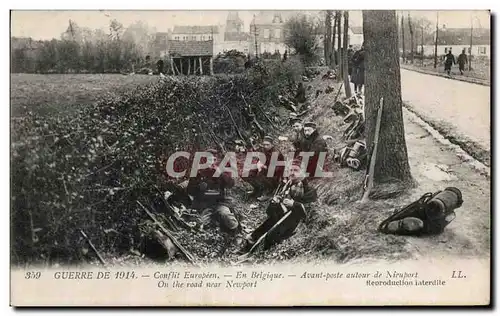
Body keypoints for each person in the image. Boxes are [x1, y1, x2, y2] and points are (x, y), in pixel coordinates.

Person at [240, 163, 318, 252]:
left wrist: (294, 204)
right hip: (280, 218)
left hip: (293, 224)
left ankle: (256, 252)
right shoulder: (288, 185)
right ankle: (248, 246)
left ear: (303, 172)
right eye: (291, 170)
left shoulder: (309, 190)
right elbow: (270, 212)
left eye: (296, 170)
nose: (292, 173)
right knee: (261, 230)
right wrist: (274, 202)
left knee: (270, 236)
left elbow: (309, 213)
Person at [166, 149, 239, 233]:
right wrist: (198, 187)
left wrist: (220, 174)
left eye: (212, 159)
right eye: (206, 159)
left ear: (215, 160)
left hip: (219, 203)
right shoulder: (197, 173)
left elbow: (231, 184)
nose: (209, 162)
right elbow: (190, 191)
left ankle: (236, 235)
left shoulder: (219, 172)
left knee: (229, 220)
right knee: (203, 225)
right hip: (204, 206)